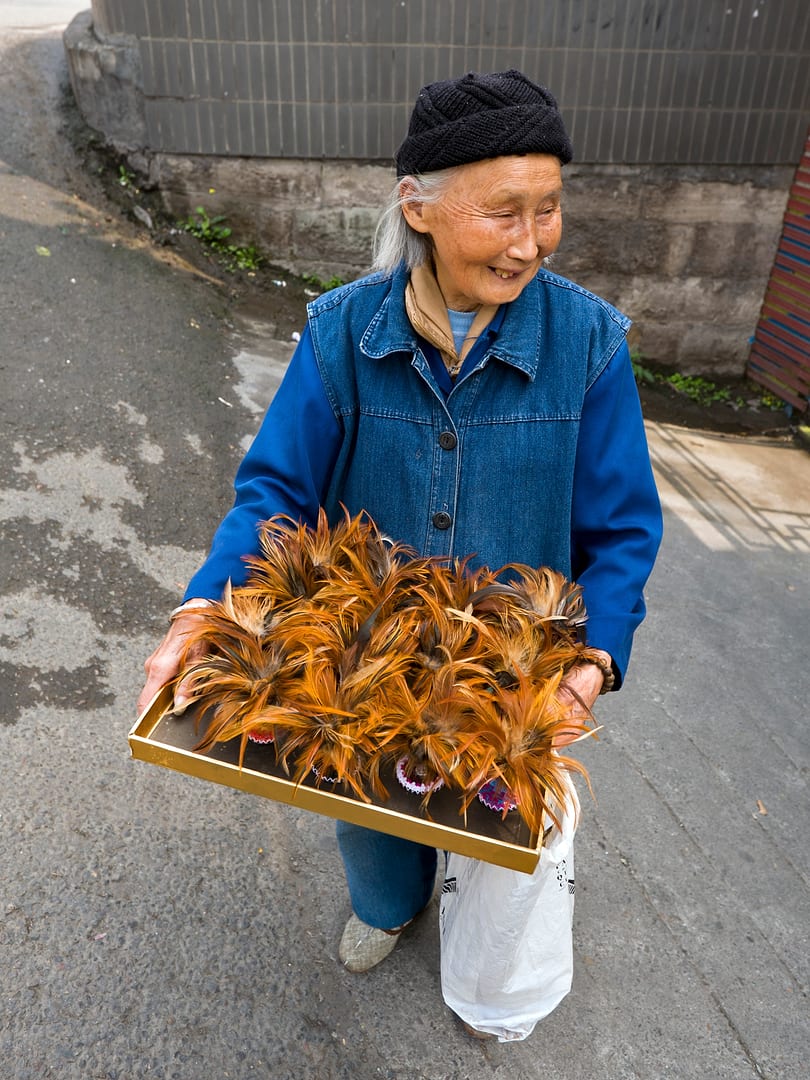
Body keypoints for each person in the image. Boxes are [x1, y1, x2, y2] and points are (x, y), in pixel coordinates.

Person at [138, 70, 662, 1035]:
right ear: (417, 208)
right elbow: (277, 494)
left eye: (548, 210)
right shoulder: (344, 332)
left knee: (495, 816)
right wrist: (205, 608)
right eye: (503, 211)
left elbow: (624, 531)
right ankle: (388, 905)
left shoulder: (588, 344)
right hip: (368, 649)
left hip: (513, 664)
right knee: (370, 797)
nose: (530, 241)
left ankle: (480, 957)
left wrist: (591, 661)